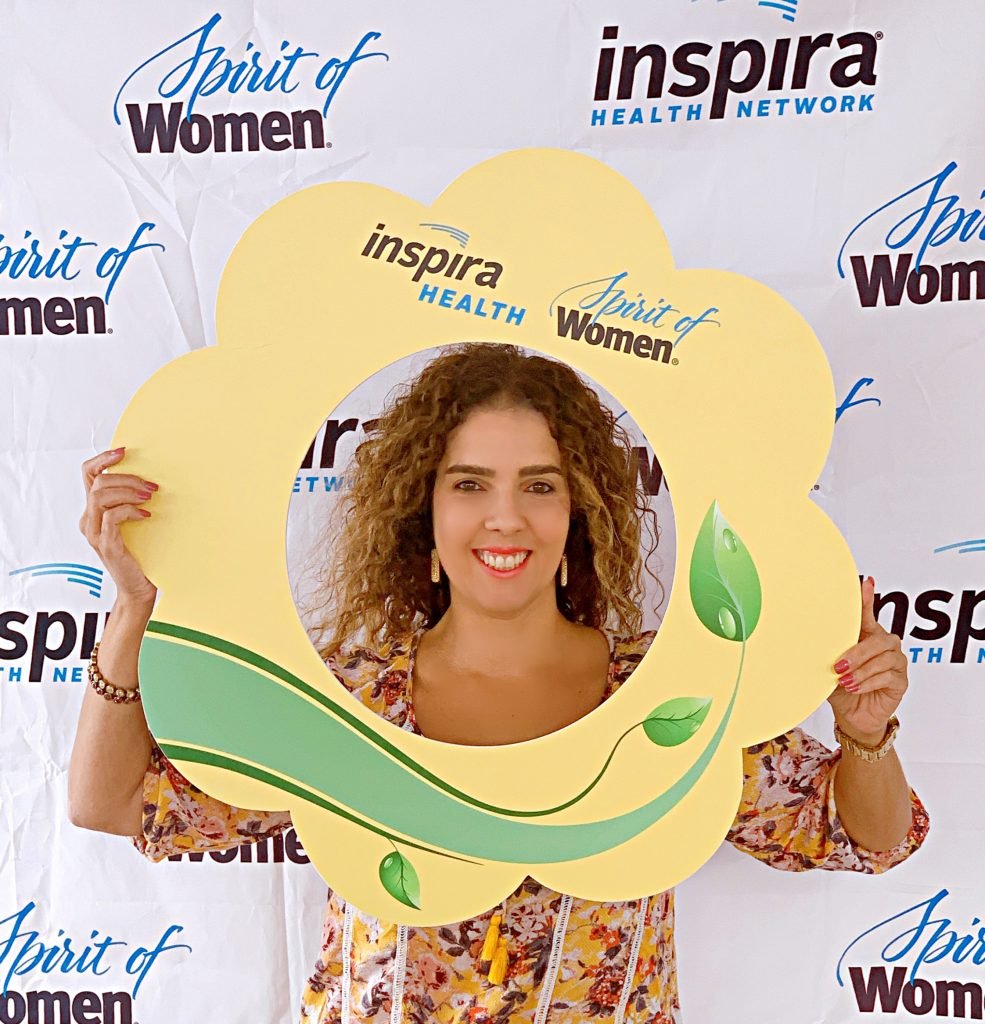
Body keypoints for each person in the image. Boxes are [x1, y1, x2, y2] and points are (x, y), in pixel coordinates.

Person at [69, 344, 929, 1024]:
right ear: (425, 513)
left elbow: (865, 839)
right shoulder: (351, 700)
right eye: (470, 484)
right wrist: (135, 608)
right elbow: (114, 805)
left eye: (539, 485)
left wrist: (865, 734)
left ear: (577, 514)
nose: (505, 516)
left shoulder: (666, 694)